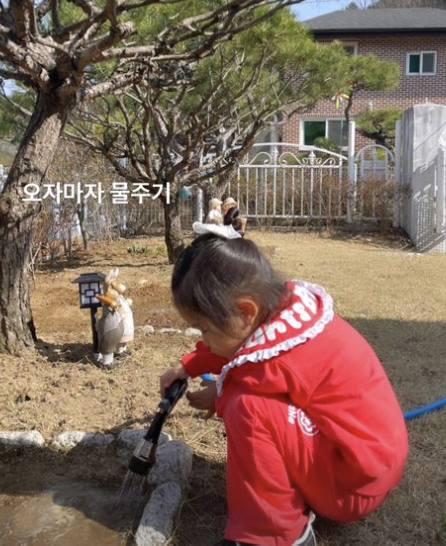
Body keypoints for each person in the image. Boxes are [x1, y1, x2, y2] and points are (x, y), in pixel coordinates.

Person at [160, 228, 408, 546]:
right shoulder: (285, 311)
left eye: (204, 329)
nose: (204, 338)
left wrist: (219, 395)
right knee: (244, 398)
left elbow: (240, 374)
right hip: (370, 466)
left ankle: (275, 533)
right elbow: (240, 350)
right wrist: (189, 364)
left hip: (350, 487)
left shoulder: (276, 361)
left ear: (246, 310)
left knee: (245, 407)